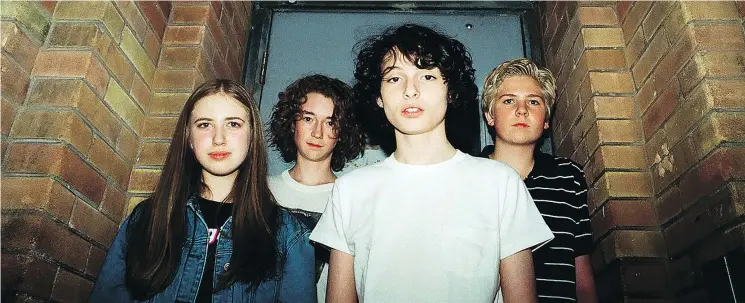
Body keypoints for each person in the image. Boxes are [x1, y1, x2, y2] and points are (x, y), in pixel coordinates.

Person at [309, 24, 554, 303]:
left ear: (450, 91)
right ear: (378, 96)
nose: (410, 91)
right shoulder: (350, 191)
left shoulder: (500, 183)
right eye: (394, 79)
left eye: (426, 76)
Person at [90, 79, 316, 302]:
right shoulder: (145, 219)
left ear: (252, 136)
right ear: (189, 137)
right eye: (205, 125)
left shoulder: (288, 235)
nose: (219, 139)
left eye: (233, 124)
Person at [479, 58, 597, 302]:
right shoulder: (469, 176)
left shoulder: (568, 176)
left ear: (545, 120)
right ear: (490, 116)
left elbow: (581, 272)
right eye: (509, 100)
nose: (522, 110)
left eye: (533, 101)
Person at [267, 74, 365, 303]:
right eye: (308, 118)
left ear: (341, 133)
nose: (318, 133)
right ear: (292, 124)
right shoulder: (261, 190)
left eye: (330, 122)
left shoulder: (351, 198)